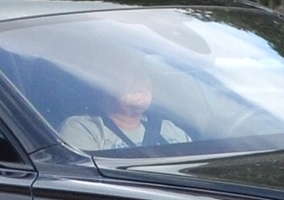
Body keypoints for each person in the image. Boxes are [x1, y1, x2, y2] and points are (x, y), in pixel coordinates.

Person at [59, 59, 189, 152]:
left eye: (144, 74)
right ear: (103, 86)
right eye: (130, 74)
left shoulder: (170, 130)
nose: (141, 79)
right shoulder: (83, 129)